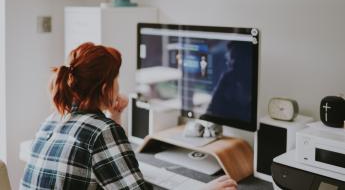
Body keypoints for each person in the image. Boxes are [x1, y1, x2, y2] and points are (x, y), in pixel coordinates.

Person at [20, 42, 238, 190]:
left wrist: (114, 114)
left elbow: (105, 163)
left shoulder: (54, 119)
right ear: (106, 87)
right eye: (116, 79)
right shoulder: (102, 131)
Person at [207, 41, 253, 122]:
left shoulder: (253, 82)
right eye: (230, 59)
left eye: (233, 58)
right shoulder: (227, 78)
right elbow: (211, 109)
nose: (228, 63)